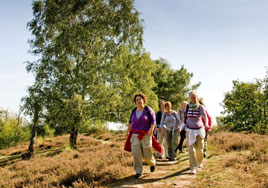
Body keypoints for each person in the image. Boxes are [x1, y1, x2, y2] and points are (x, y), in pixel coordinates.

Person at [125, 93, 159, 179]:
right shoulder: (133, 111)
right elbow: (130, 122)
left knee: (147, 153)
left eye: (140, 99)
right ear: (135, 102)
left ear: (143, 100)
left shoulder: (148, 110)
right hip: (135, 135)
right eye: (137, 100)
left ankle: (152, 163)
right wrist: (127, 132)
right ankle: (138, 171)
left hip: (146, 135)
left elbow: (153, 121)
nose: (138, 101)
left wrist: (151, 130)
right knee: (136, 154)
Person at [178, 90, 209, 174]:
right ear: (189, 98)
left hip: (199, 130)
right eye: (191, 97)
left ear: (197, 98)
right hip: (189, 130)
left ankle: (199, 161)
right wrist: (180, 127)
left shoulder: (200, 107)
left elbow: (205, 116)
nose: (193, 99)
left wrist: (206, 124)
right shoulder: (187, 107)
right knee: (191, 149)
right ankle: (193, 167)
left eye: (194, 97)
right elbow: (184, 118)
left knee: (200, 150)